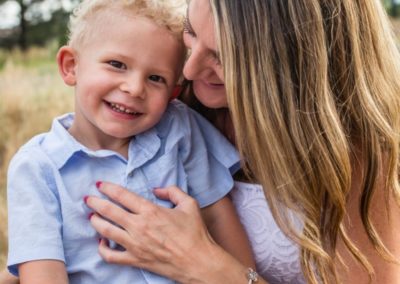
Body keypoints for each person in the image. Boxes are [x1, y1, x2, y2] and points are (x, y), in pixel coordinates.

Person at [82, 0, 400, 283]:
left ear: (296, 64)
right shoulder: (174, 107)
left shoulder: (363, 151)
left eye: (223, 57)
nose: (189, 70)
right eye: (191, 32)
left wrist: (207, 266)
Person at [5, 0, 255, 283]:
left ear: (173, 93)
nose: (135, 88)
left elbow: (217, 217)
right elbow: (43, 273)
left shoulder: (178, 129)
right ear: (71, 66)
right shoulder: (37, 167)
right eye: (117, 64)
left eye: (155, 78)